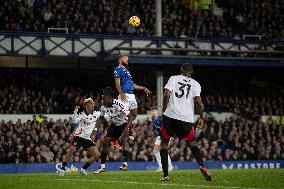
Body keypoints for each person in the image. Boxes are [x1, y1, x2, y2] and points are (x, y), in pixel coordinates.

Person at [159, 64, 212, 181]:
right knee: (192, 144)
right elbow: (198, 101)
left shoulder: (173, 78)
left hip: (170, 115)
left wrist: (163, 110)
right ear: (191, 72)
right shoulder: (196, 84)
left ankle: (165, 175)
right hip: (186, 118)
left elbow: (167, 94)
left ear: (181, 70)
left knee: (163, 144)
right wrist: (202, 118)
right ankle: (202, 166)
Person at [94, 87, 134, 173]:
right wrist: (95, 128)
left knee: (124, 140)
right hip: (114, 125)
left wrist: (126, 129)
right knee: (105, 141)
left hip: (124, 124)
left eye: (104, 98)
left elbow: (131, 116)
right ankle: (102, 167)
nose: (103, 100)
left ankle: (125, 164)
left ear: (110, 98)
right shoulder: (103, 106)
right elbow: (100, 118)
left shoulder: (119, 104)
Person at [58, 98, 100, 176]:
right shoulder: (82, 115)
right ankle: (62, 169)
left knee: (97, 155)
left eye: (93, 103)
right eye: (91, 104)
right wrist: (76, 111)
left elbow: (101, 118)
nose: (93, 105)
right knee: (71, 151)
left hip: (87, 138)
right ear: (86, 106)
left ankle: (83, 169)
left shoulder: (96, 113)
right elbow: (74, 120)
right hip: (79, 136)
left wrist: (96, 128)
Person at [151, 106, 173, 172]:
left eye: (155, 110)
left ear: (157, 111)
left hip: (165, 136)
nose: (153, 111)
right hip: (160, 136)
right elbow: (155, 129)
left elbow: (166, 128)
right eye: (152, 110)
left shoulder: (161, 119)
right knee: (156, 151)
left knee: (163, 150)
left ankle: (169, 166)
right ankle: (161, 166)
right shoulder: (153, 119)